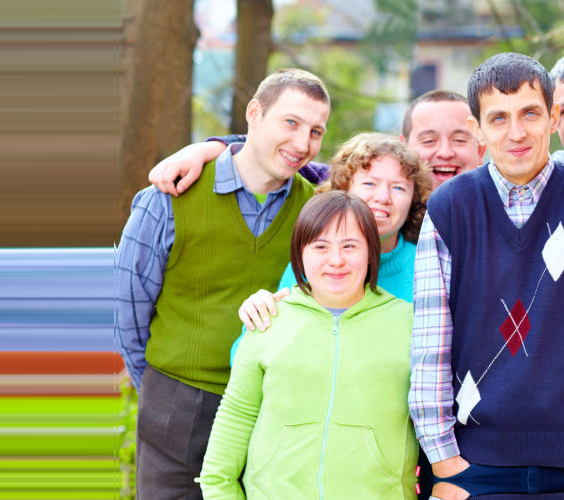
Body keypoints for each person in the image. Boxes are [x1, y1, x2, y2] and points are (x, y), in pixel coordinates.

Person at [413, 52, 564, 500]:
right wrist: (444, 462)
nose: (516, 132)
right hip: (471, 465)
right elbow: (430, 343)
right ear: (478, 129)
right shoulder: (449, 209)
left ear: (553, 117)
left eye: (530, 114)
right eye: (498, 118)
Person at [113, 68, 328, 500]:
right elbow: (127, 318)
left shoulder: (317, 211)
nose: (302, 143)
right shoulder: (168, 197)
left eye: (316, 130)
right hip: (177, 404)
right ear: (254, 114)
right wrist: (164, 393)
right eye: (290, 122)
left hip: (271, 407)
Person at [197, 192, 418, 499]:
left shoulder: (409, 324)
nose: (336, 260)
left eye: (350, 246)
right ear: (300, 254)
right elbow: (236, 416)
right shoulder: (268, 320)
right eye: (320, 247)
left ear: (371, 252)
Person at [234, 132, 434, 335]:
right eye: (369, 183)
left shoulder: (427, 266)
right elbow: (250, 352)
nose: (383, 197)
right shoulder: (316, 259)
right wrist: (260, 312)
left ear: (413, 202)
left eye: (398, 188)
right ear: (344, 191)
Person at [149, 90, 486, 193]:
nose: (445, 152)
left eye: (460, 139)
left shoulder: (497, 206)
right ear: (405, 147)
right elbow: (291, 159)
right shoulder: (372, 192)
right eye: (428, 139)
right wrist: (213, 147)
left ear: (481, 145)